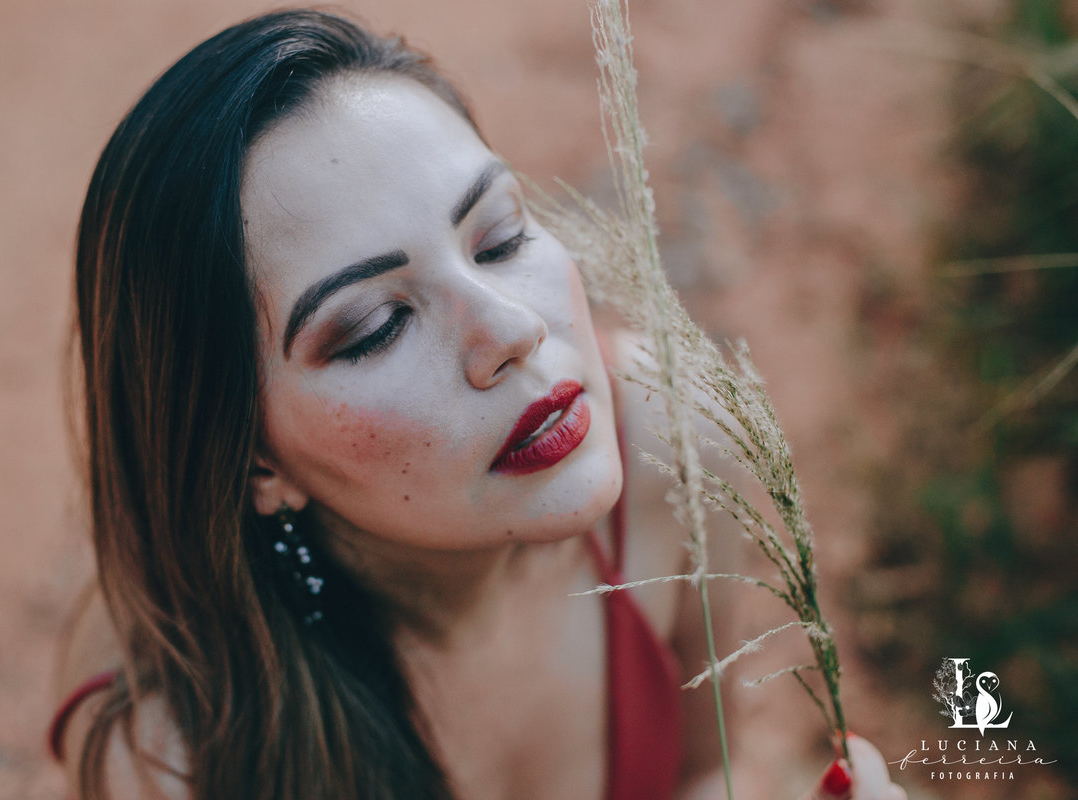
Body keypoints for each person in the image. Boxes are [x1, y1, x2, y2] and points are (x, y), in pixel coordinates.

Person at [52, 9, 907, 800]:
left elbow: (703, 773)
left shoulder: (676, 443)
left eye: (498, 237)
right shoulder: (170, 749)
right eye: (377, 327)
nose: (513, 326)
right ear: (255, 463)